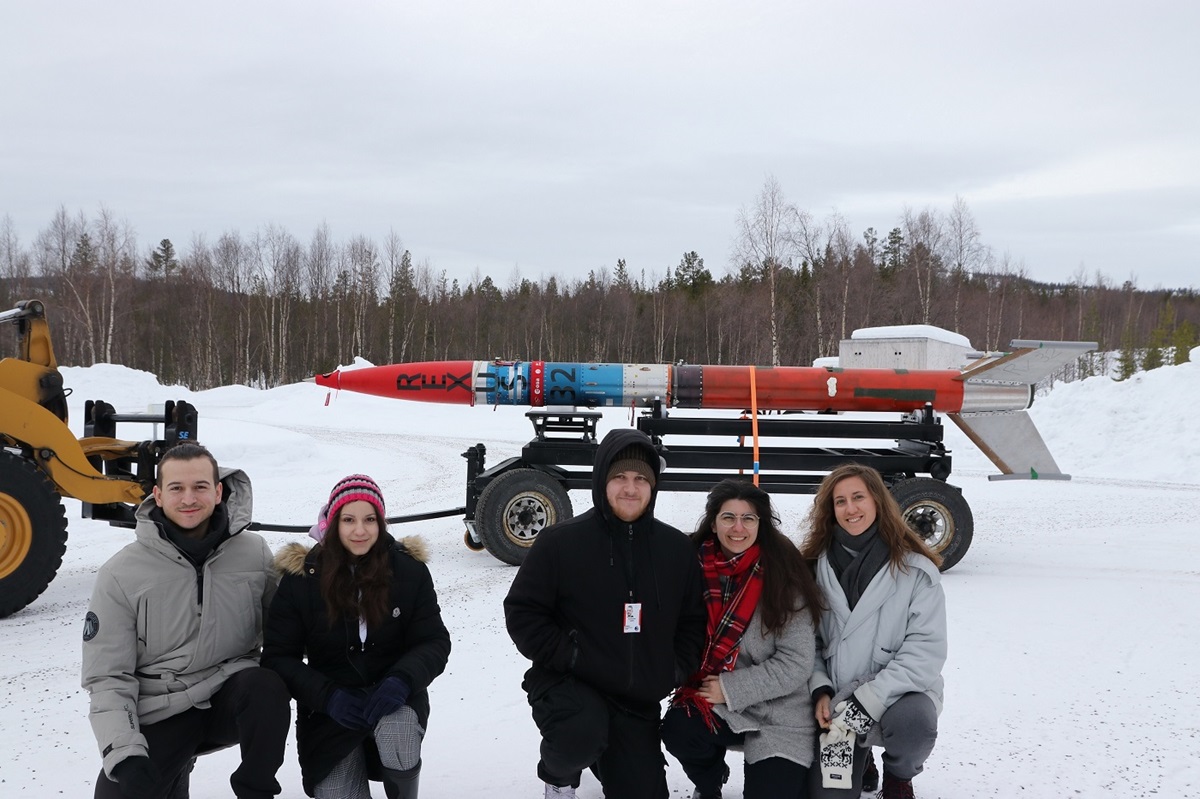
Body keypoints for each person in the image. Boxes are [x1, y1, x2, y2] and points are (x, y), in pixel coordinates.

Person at [504, 428, 707, 799]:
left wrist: (673, 669)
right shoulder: (561, 542)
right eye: (619, 477)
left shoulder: (675, 549)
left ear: (653, 486)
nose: (630, 488)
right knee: (580, 734)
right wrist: (571, 655)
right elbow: (523, 613)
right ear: (601, 480)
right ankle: (558, 777)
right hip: (570, 683)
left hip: (635, 697)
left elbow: (693, 621)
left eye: (640, 479)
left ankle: (609, 756)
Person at [82, 442, 291, 799]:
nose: (189, 498)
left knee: (266, 686)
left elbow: (291, 627)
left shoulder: (253, 552)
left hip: (231, 696)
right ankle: (172, 770)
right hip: (162, 710)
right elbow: (108, 677)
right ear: (158, 496)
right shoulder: (120, 574)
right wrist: (125, 752)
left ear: (218, 490)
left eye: (200, 487)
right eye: (177, 488)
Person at [262, 474, 451, 799]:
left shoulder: (408, 570)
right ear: (332, 522)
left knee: (399, 732)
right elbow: (278, 657)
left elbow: (433, 641)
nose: (359, 530)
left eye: (369, 519)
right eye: (348, 520)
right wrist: (327, 696)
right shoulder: (302, 579)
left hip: (393, 696)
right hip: (330, 709)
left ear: (381, 522)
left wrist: (402, 681)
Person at [662, 479, 824, 799]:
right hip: (718, 703)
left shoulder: (783, 575)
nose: (738, 528)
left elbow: (796, 662)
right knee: (680, 729)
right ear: (713, 522)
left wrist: (730, 688)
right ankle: (710, 782)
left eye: (748, 518)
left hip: (779, 712)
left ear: (760, 525)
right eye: (728, 517)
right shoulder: (692, 569)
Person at [800, 463, 947, 799]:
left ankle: (898, 775)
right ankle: (860, 761)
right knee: (829, 795)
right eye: (840, 501)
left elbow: (925, 653)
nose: (850, 508)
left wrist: (867, 702)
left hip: (893, 697)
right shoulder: (812, 569)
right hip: (837, 706)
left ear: (878, 502)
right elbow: (808, 642)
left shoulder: (917, 573)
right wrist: (820, 689)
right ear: (830, 510)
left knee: (915, 725)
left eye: (858, 498)